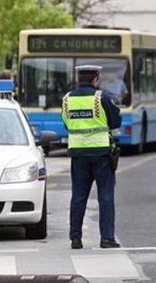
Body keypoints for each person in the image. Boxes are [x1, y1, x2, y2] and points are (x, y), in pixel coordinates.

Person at [61, 65, 122, 250]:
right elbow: (115, 122)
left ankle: (75, 239)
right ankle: (107, 238)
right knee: (105, 196)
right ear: (95, 79)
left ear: (79, 79)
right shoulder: (101, 97)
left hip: (78, 155)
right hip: (101, 154)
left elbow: (66, 123)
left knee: (78, 197)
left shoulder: (66, 100)